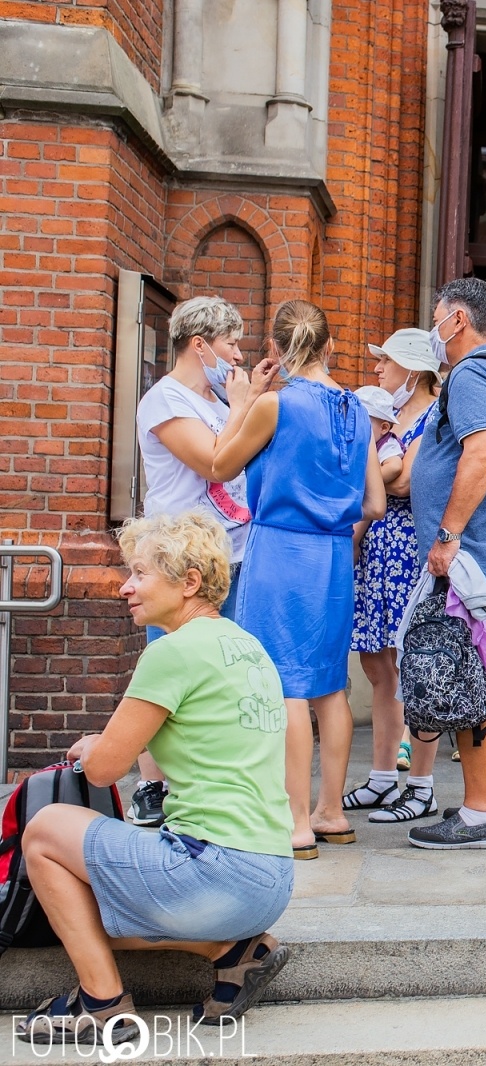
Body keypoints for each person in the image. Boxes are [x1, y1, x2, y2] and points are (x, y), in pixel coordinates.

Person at [16, 512, 293, 1046]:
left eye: (139, 573)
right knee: (76, 911)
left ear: (188, 581)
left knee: (47, 831)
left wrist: (96, 744)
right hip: (270, 876)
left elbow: (101, 769)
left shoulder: (171, 651)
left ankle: (101, 1005)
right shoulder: (245, 645)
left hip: (215, 872)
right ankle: (233, 952)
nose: (125, 586)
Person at [213, 300, 386, 859]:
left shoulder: (275, 406)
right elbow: (375, 502)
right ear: (330, 346)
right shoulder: (357, 410)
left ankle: (295, 824)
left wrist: (242, 401)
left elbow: (219, 465)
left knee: (285, 684)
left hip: (282, 551)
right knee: (329, 685)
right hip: (335, 555)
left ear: (278, 350)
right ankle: (330, 811)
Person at [405, 277, 486, 848]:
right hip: (485, 552)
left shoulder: (475, 373)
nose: (434, 329)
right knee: (483, 674)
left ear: (457, 319)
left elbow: (481, 452)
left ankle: (479, 815)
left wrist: (447, 534)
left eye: (437, 318)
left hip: (471, 554)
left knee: (466, 678)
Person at [127, 295, 253, 828]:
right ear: (199, 345)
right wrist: (247, 406)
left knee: (223, 670)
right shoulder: (165, 401)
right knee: (171, 671)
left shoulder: (221, 401)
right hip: (179, 560)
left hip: (233, 553)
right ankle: (153, 785)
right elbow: (214, 461)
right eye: (230, 344)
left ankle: (211, 777)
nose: (238, 354)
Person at [343, 328, 445, 824]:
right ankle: (383, 778)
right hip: (376, 550)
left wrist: (371, 473)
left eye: (386, 361)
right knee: (377, 666)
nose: (378, 369)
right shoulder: (383, 414)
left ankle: (421, 785)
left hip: (410, 549)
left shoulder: (434, 415)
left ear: (414, 368)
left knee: (415, 668)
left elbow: (405, 479)